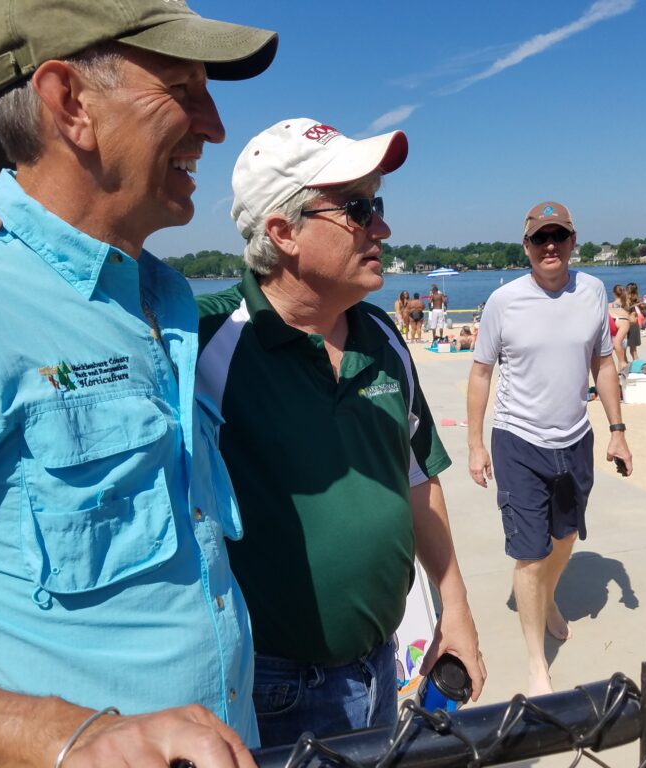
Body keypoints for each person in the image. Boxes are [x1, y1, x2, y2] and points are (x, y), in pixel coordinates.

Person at [0, 0, 279, 765]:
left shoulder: (167, 301)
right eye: (183, 89)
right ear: (69, 102)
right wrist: (76, 737)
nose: (214, 126)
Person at [195, 118, 484, 746]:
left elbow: (416, 478)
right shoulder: (204, 342)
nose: (381, 227)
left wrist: (454, 608)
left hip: (384, 665)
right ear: (282, 232)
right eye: (358, 208)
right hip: (270, 687)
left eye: (377, 205)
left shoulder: (381, 336)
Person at [466, 201, 632, 696]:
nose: (550, 246)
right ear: (527, 247)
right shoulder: (505, 301)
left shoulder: (593, 291)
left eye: (559, 236)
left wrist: (617, 429)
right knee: (530, 554)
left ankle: (549, 597)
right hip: (518, 440)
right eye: (541, 238)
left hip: (575, 438)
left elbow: (603, 364)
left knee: (566, 538)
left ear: (573, 241)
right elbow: (480, 374)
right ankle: (538, 662)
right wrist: (476, 444)